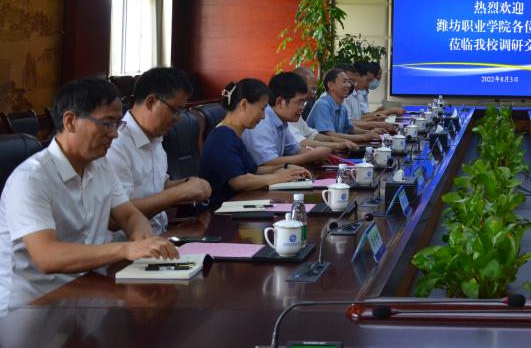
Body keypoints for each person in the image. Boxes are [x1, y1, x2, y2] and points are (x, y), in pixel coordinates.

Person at [0, 78, 178, 313]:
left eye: (117, 124)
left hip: (87, 297)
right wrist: (125, 249)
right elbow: (47, 256)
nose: (114, 134)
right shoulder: (31, 179)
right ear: (70, 121)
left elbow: (128, 215)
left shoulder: (101, 166)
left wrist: (142, 237)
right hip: (29, 312)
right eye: (106, 124)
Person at [106, 67, 212, 235]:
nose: (178, 118)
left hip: (160, 238)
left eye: (181, 111)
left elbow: (159, 185)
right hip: (128, 246)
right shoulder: (115, 144)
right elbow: (116, 215)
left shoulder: (155, 137)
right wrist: (179, 193)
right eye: (175, 110)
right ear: (151, 102)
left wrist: (188, 184)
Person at [199, 79, 311, 209]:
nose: (263, 116)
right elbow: (239, 181)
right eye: (262, 109)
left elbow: (254, 170)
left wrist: (285, 168)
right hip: (218, 211)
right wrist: (278, 177)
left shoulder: (234, 134)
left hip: (238, 204)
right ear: (244, 105)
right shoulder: (222, 137)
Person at [243, 72, 333, 168]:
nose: (302, 107)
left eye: (304, 102)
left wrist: (317, 155)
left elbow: (295, 150)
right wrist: (310, 156)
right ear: (280, 102)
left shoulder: (282, 121)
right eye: (299, 102)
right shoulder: (262, 122)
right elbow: (268, 162)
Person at [287, 68, 360, 153]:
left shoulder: (297, 116)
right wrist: (338, 145)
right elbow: (301, 142)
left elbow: (312, 135)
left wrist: (342, 142)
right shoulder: (322, 104)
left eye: (350, 82)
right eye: (312, 89)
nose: (348, 85)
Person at [340, 63, 397, 134]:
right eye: (345, 81)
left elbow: (357, 120)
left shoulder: (356, 94)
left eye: (350, 81)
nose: (348, 85)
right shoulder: (344, 97)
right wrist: (375, 123)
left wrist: (374, 121)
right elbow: (348, 125)